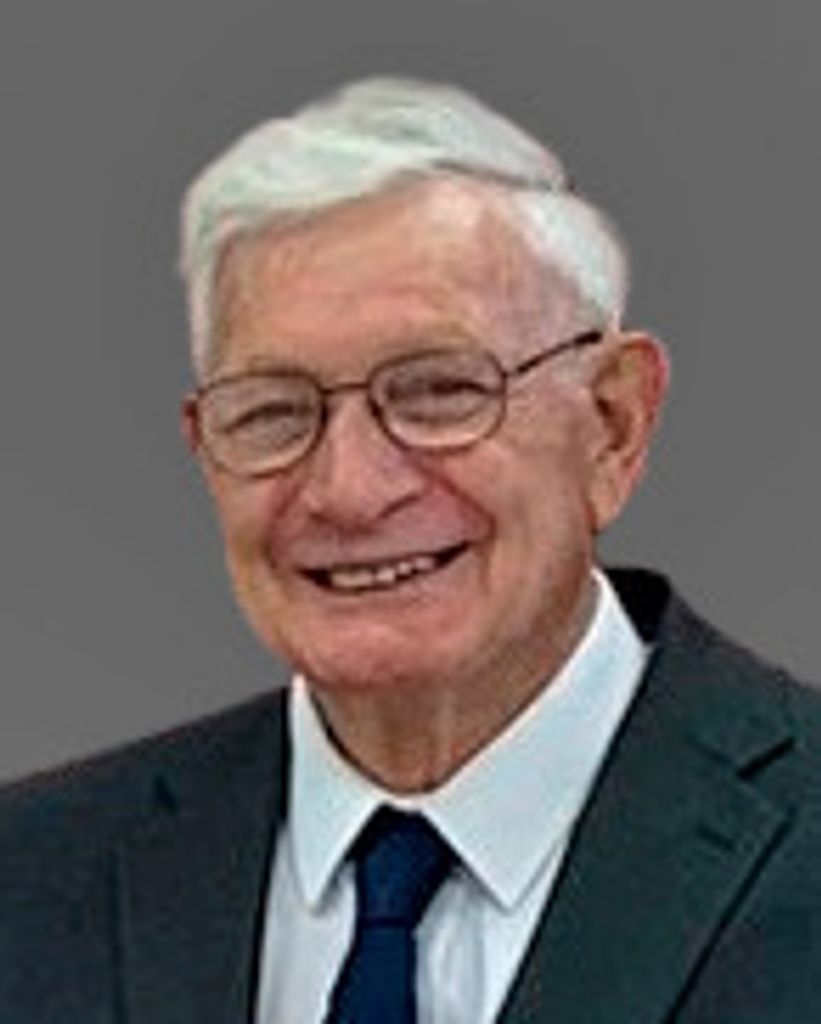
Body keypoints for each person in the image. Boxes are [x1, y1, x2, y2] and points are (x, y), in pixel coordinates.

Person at [2, 77, 820, 1024]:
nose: (348, 490)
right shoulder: (32, 880)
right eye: (272, 412)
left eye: (438, 391)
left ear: (611, 424)